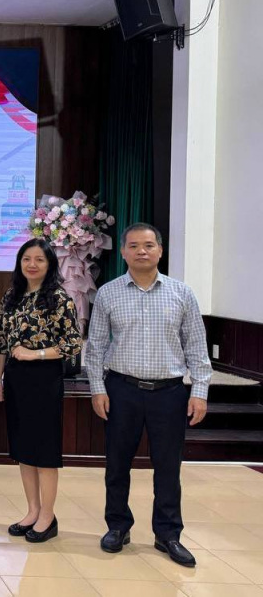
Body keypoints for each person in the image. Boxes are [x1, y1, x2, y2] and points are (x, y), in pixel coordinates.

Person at [85, 223, 211, 567]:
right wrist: (97, 388)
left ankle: (168, 534)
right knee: (117, 464)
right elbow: (95, 348)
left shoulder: (182, 293)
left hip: (169, 393)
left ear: (160, 250)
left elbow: (197, 346)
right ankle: (118, 527)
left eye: (149, 245)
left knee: (168, 467)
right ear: (123, 251)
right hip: (121, 390)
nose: (142, 251)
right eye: (134, 245)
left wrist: (199, 391)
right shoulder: (108, 293)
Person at [0, 239, 82, 542]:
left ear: (49, 264)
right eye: (26, 259)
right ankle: (32, 510)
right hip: (16, 379)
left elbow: (72, 343)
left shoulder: (58, 298)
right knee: (23, 449)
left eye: (39, 260)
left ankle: (48, 516)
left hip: (44, 379)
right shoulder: (12, 296)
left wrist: (35, 354)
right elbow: (1, 340)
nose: (32, 265)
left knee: (44, 450)